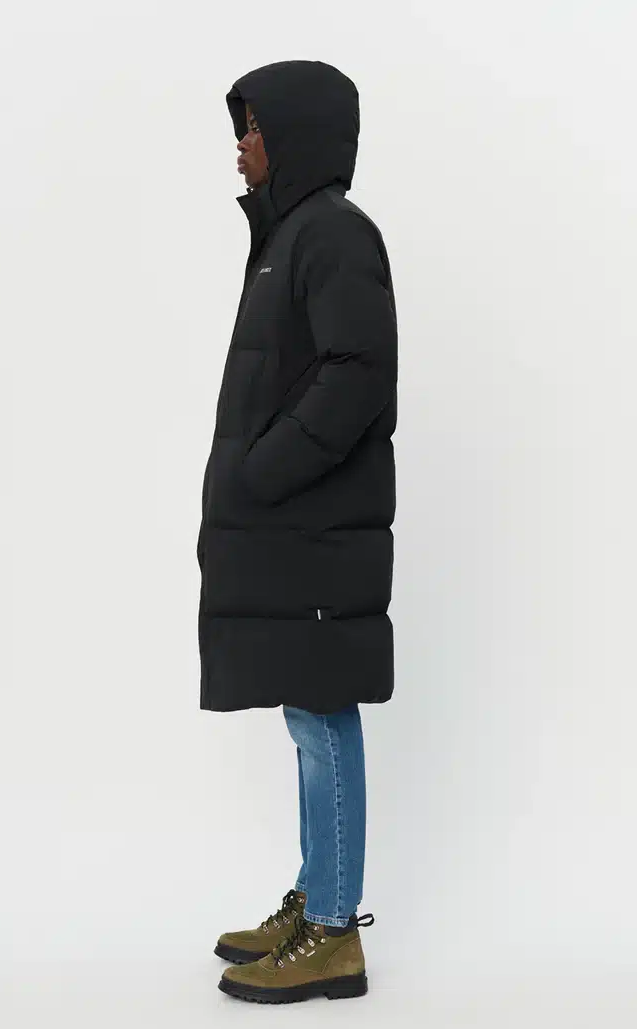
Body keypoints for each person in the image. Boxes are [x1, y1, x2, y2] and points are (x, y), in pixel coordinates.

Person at [196, 59, 398, 1004]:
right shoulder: (293, 235)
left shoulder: (334, 234)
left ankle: (333, 931)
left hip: (317, 526)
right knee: (305, 713)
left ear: (296, 135)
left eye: (254, 126)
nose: (241, 144)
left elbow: (358, 373)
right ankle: (319, 898)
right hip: (299, 529)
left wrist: (265, 467)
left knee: (322, 715)